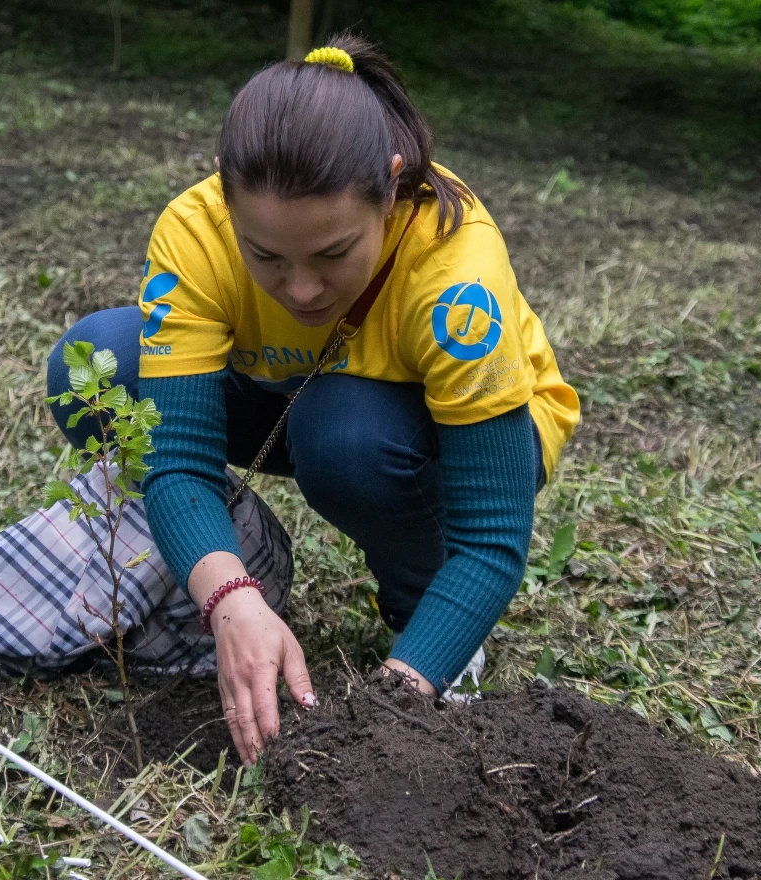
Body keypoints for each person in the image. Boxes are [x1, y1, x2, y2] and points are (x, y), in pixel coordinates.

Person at [45, 35, 579, 767]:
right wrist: (230, 596)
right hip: (295, 395)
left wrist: (401, 692)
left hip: (443, 434)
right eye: (265, 255)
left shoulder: (459, 282)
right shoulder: (196, 231)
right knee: (101, 368)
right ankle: (214, 546)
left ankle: (430, 609)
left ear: (391, 189)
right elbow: (179, 461)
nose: (301, 290)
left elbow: (494, 539)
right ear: (224, 194)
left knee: (346, 435)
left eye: (334, 254)